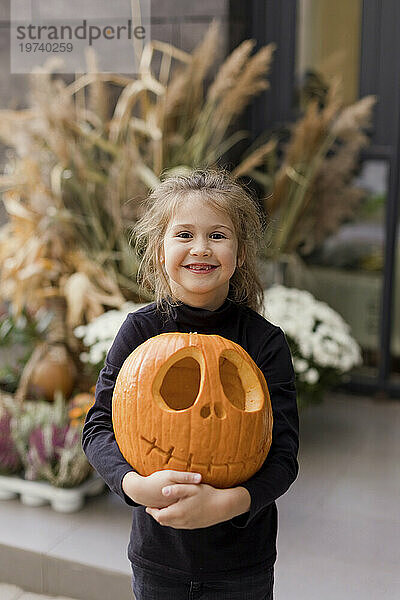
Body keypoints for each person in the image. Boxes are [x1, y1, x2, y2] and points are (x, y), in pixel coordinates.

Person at [82, 169, 299, 600]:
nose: (201, 248)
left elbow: (283, 456)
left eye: (217, 235)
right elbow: (97, 427)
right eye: (184, 234)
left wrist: (227, 504)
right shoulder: (139, 332)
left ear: (240, 253)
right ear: (161, 251)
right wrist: (133, 485)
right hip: (159, 558)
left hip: (241, 563)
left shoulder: (264, 343)